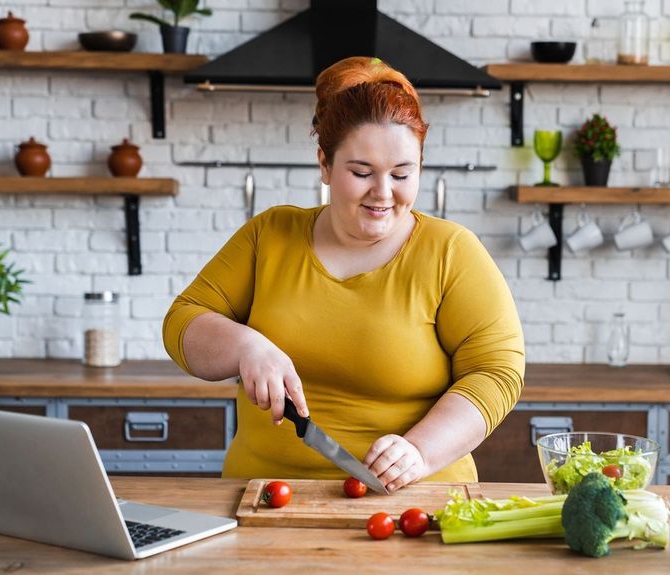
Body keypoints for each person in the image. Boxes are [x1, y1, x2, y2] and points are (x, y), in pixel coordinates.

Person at [163, 56, 524, 492]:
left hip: (412, 501)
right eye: (361, 172)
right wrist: (245, 345)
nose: (383, 193)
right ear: (324, 164)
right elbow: (183, 320)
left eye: (402, 173)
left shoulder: (451, 252)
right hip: (259, 496)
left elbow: (497, 372)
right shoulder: (270, 235)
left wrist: (420, 451)